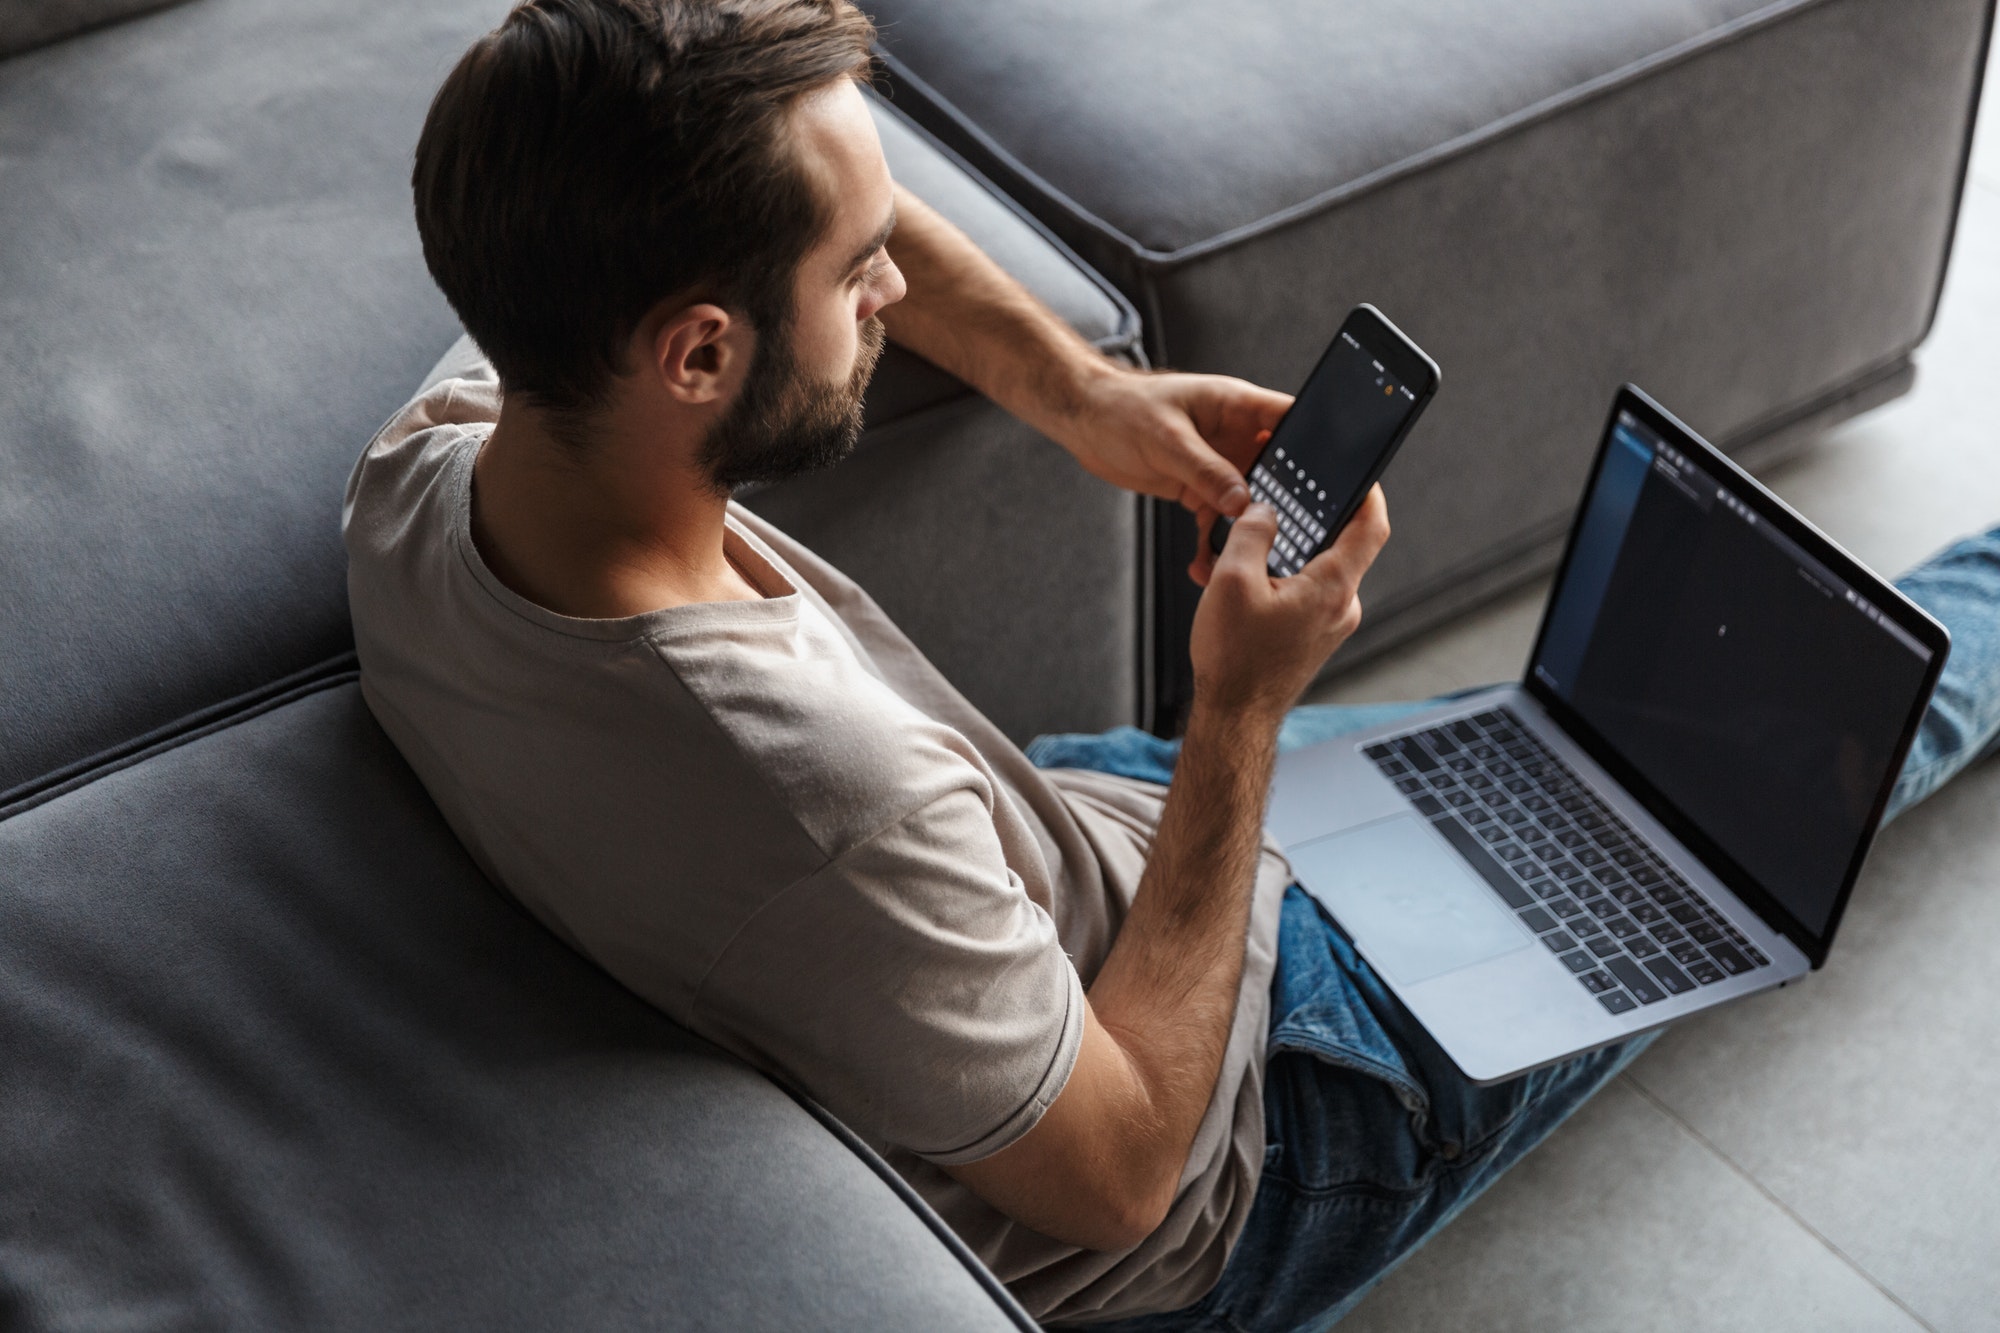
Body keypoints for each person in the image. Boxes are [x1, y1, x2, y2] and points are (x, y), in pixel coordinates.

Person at [342, 1, 2000, 1327]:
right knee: (1708, 803)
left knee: (1549, 752)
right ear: (701, 350)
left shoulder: (439, 466)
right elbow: (1130, 1178)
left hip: (1042, 862)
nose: (897, 284)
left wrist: (1082, 391)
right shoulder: (812, 787)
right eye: (862, 281)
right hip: (1247, 1122)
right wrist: (1237, 708)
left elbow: (777, 206)